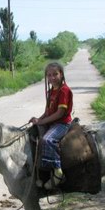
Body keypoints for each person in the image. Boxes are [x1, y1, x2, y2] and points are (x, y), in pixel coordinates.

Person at [29, 62, 73, 190]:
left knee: (47, 140)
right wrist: (39, 119)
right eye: (49, 75)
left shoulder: (64, 91)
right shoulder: (51, 91)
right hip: (52, 122)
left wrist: (43, 122)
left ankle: (58, 171)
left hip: (62, 123)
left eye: (55, 74)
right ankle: (40, 173)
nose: (52, 78)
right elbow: (48, 111)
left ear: (61, 74)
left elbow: (60, 113)